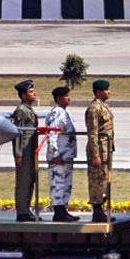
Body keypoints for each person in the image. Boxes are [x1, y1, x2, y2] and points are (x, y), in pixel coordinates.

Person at [45, 86, 79, 222]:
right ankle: (58, 211)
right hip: (59, 156)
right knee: (58, 182)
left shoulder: (65, 112)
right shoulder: (55, 113)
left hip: (67, 155)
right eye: (66, 96)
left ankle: (63, 209)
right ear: (58, 98)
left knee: (66, 183)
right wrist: (55, 154)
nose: (69, 98)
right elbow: (51, 134)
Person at [85, 79, 116, 223]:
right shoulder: (94, 108)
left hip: (106, 149)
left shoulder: (104, 106)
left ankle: (101, 210)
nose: (109, 92)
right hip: (98, 151)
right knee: (96, 180)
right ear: (98, 92)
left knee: (103, 180)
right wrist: (95, 154)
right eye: (106, 89)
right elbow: (93, 133)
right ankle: (97, 211)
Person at [12, 79, 39, 222]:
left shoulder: (28, 109)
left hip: (31, 149)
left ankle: (26, 209)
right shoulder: (21, 111)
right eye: (30, 92)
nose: (34, 93)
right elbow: (17, 133)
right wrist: (18, 154)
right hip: (24, 151)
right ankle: (22, 211)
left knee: (30, 180)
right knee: (23, 181)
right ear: (23, 95)